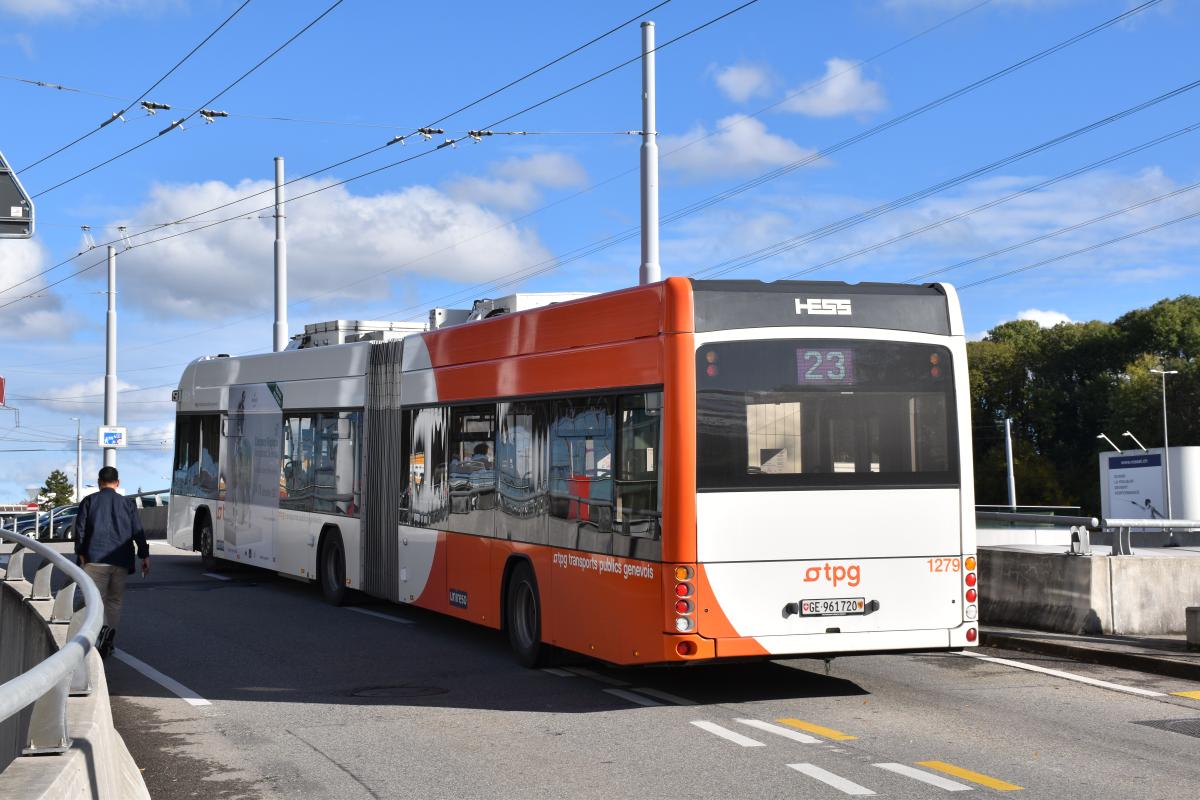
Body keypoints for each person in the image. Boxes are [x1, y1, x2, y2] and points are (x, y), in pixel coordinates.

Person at [74, 466, 149, 658]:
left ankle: (98, 638)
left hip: (95, 558)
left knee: (94, 601)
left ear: (99, 483)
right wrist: (144, 555)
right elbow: (137, 531)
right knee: (114, 601)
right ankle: (109, 638)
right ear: (118, 483)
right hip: (121, 560)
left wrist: (81, 552)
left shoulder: (89, 501)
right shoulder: (128, 504)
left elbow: (80, 530)